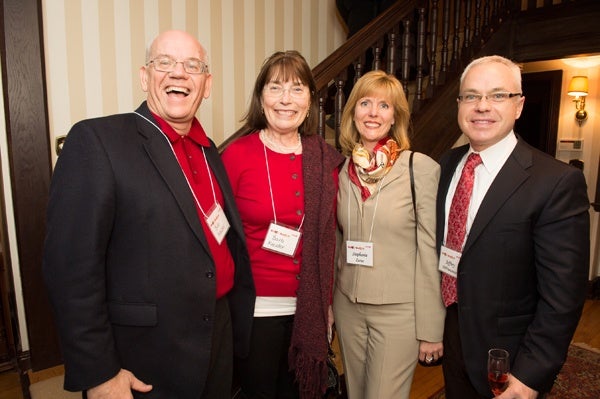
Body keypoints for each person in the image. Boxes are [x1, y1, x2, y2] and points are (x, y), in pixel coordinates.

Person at [43, 30, 255, 399]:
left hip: (216, 332)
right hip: (148, 352)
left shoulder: (210, 153)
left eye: (192, 65)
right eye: (164, 63)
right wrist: (99, 374)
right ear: (145, 77)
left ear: (206, 84)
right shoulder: (98, 141)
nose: (178, 73)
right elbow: (70, 268)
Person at [437, 55, 590, 399]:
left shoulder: (555, 182)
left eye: (497, 95)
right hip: (454, 340)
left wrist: (530, 376)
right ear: (459, 104)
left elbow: (563, 297)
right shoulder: (446, 165)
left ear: (519, 106)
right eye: (471, 96)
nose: (482, 106)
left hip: (508, 361)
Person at [221, 51, 345, 399]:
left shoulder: (324, 158)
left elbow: (327, 241)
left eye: (297, 88)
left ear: (310, 99)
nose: (286, 100)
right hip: (256, 309)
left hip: (308, 307)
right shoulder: (236, 155)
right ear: (261, 97)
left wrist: (327, 305)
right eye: (276, 88)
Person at [333, 69, 445, 399]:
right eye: (365, 103)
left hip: (399, 312)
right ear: (352, 112)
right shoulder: (341, 170)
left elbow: (429, 252)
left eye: (384, 106)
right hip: (348, 305)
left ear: (395, 116)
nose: (372, 113)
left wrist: (431, 329)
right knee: (354, 392)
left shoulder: (419, 168)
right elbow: (337, 240)